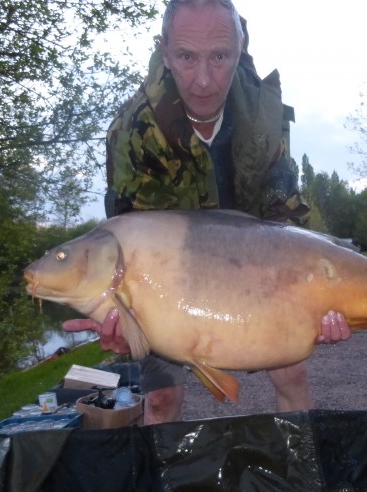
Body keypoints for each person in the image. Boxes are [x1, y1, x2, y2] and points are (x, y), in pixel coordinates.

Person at [64, 0, 350, 424]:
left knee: (292, 372)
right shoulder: (132, 130)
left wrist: (316, 299)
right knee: (161, 397)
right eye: (186, 57)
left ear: (241, 46)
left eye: (219, 57)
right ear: (165, 52)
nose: (202, 80)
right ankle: (166, 488)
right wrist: (130, 322)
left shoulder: (263, 118)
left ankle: (298, 474)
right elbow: (128, 235)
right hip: (169, 280)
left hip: (253, 263)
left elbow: (282, 218)